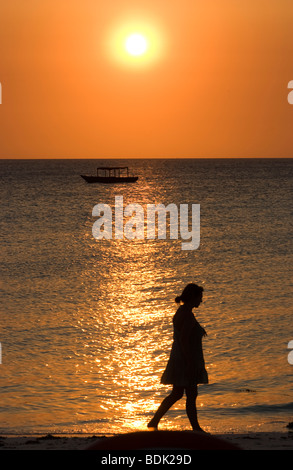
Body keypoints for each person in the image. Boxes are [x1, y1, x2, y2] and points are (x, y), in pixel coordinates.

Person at [147, 283, 208, 432]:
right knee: (191, 394)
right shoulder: (186, 315)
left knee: (177, 393)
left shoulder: (182, 311)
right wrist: (190, 363)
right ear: (193, 297)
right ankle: (196, 429)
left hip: (179, 358)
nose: (201, 301)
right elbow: (184, 340)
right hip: (185, 359)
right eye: (199, 297)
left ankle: (154, 421)